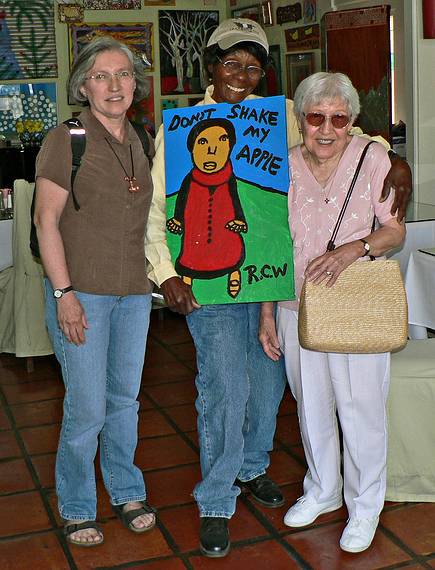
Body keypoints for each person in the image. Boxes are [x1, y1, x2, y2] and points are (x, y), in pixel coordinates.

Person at [147, 18, 412, 558]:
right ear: (211, 66)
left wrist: (395, 157)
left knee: (281, 393)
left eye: (252, 66)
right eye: (231, 63)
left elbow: (348, 133)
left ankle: (289, 480)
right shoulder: (182, 131)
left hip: (309, 294)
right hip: (226, 288)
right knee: (236, 390)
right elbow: (157, 209)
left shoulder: (272, 125)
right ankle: (224, 497)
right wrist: (166, 273)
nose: (241, 76)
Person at [259, 72, 406, 554]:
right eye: (315, 117)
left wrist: (353, 249)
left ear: (352, 122)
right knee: (311, 405)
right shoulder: (279, 166)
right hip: (294, 304)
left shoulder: (374, 159)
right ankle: (322, 489)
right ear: (300, 119)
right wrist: (266, 313)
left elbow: (394, 230)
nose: (327, 128)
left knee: (361, 408)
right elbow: (269, 246)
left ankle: (365, 506)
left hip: (356, 305)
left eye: (338, 118)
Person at [34, 37, 162, 546]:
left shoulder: (143, 138)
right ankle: (78, 503)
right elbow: (46, 221)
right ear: (83, 84)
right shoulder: (68, 138)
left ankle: (127, 489)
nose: (115, 85)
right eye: (102, 76)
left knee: (124, 401)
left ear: (137, 84)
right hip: (81, 291)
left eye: (124, 75)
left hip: (133, 293)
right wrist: (63, 293)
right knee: (87, 405)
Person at [167, 118, 247, 298]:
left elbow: (235, 201)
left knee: (230, 252)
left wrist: (240, 220)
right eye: (203, 142)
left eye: (221, 141)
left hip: (224, 232)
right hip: (195, 232)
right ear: (193, 149)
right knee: (190, 256)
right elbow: (181, 201)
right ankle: (187, 279)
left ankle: (234, 272)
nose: (212, 150)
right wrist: (178, 220)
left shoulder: (229, 179)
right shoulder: (189, 179)